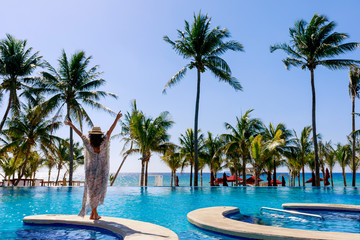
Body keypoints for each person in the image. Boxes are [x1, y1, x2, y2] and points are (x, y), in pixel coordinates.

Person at [64, 111, 122, 220]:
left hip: (90, 171)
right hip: (101, 171)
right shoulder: (104, 142)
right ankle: (94, 214)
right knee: (97, 192)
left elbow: (80, 133)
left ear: (91, 135)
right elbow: (110, 130)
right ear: (100, 135)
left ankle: (93, 214)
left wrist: (71, 125)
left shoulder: (88, 142)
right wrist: (117, 119)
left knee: (92, 193)